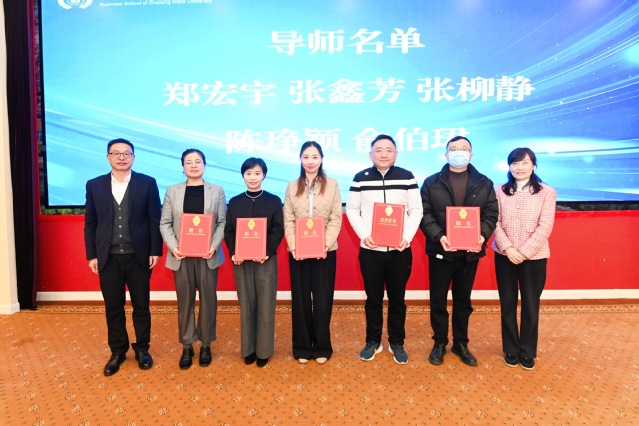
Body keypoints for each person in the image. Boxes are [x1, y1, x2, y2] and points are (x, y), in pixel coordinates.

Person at [84, 138, 163, 377]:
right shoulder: (94, 185)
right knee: (113, 307)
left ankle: (142, 349)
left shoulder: (147, 183)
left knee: (141, 306)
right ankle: (117, 352)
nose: (121, 157)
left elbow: (154, 219)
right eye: (116, 153)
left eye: (126, 153)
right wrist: (92, 254)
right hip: (107, 257)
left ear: (133, 157)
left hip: (139, 256)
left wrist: (155, 250)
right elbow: (91, 222)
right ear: (108, 157)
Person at [420, 136, 498, 367]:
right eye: (454, 149)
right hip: (441, 251)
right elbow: (424, 214)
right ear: (446, 154)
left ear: (471, 155)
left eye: (464, 149)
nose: (459, 152)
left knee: (463, 301)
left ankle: (461, 343)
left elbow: (491, 214)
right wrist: (439, 236)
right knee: (438, 300)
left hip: (469, 253)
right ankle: (439, 342)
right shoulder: (431, 182)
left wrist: (481, 236)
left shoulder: (484, 183)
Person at [345, 134, 423, 365]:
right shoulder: (360, 178)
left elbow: (416, 210)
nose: (383, 154)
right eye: (378, 150)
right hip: (371, 250)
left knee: (398, 299)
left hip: (400, 250)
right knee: (373, 299)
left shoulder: (407, 177)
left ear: (396, 154)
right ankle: (373, 341)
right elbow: (352, 209)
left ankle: (397, 341)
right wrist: (364, 235)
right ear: (371, 154)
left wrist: (406, 237)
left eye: (389, 150)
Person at [159, 149, 226, 370]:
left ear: (204, 165)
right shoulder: (173, 190)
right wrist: (174, 247)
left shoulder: (217, 190)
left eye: (198, 161)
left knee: (208, 301)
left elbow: (222, 223)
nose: (194, 165)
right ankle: (187, 345)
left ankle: (206, 344)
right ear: (183, 167)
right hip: (182, 256)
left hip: (207, 256)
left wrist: (213, 246)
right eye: (189, 162)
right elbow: (165, 223)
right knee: (184, 302)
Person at [492, 148, 556, 371]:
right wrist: (509, 248)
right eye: (515, 163)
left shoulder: (547, 192)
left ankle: (527, 351)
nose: (520, 167)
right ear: (509, 166)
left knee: (530, 305)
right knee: (507, 304)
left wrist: (524, 252)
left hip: (535, 257)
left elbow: (545, 226)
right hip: (504, 255)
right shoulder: (500, 190)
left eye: (525, 163)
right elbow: (494, 222)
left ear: (534, 165)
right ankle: (511, 348)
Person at [284, 141, 342, 365]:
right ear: (300, 159)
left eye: (315, 157)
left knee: (322, 299)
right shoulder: (291, 186)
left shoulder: (333, 184)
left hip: (325, 252)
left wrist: (325, 244)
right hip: (297, 252)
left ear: (321, 159)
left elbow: (336, 217)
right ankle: (301, 347)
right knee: (300, 300)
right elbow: (288, 219)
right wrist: (294, 246)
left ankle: (322, 347)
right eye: (306, 157)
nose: (310, 161)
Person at [224, 158, 284, 368]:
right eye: (248, 173)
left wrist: (266, 251)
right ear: (243, 176)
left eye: (257, 173)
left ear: (264, 175)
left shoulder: (274, 201)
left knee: (266, 306)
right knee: (246, 305)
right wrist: (234, 252)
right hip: (241, 261)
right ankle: (248, 349)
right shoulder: (235, 202)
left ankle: (264, 351)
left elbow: (278, 229)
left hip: (265, 260)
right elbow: (229, 230)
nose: (253, 178)